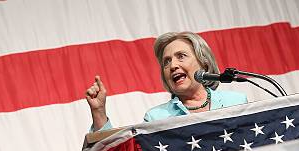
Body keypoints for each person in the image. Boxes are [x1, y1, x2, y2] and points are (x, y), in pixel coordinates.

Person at [85, 31, 248, 132]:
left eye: (181, 56)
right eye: (166, 62)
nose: (173, 66)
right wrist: (99, 112)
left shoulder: (237, 102)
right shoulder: (156, 118)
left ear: (203, 62)